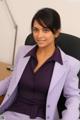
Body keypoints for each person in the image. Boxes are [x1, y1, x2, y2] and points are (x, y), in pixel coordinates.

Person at [0, 8, 80, 120]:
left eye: (45, 30)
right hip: (11, 114)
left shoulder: (70, 64)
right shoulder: (22, 52)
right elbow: (12, 80)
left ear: (56, 33)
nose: (39, 35)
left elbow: (73, 97)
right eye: (35, 30)